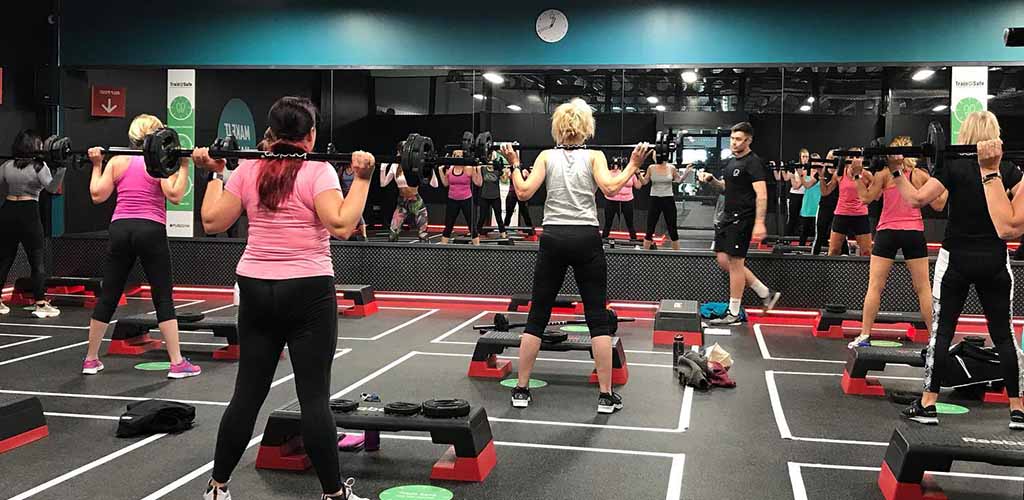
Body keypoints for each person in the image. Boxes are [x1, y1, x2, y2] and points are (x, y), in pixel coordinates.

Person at [193, 96, 373, 500]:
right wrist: (361, 178)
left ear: (269, 135)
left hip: (254, 288)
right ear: (310, 136)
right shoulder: (317, 170)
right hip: (307, 291)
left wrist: (215, 174)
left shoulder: (248, 169)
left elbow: (211, 221)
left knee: (247, 394)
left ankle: (217, 487)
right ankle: (333, 495)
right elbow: (342, 225)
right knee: (313, 398)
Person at [501, 98, 645, 414]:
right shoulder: (595, 156)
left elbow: (523, 192)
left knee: (537, 316)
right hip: (585, 238)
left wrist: (513, 163)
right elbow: (610, 189)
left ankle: (521, 390)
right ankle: (606, 397)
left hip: (553, 237)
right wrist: (633, 164)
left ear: (558, 128)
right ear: (586, 129)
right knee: (597, 319)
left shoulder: (545, 156)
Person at [888, 111, 1023, 428]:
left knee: (942, 332)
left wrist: (896, 173)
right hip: (994, 259)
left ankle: (928, 403)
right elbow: (1015, 222)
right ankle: (1017, 409)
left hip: (956, 260)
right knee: (1004, 336)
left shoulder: (954, 167)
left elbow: (917, 200)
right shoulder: (1010, 170)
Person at [83, 114, 200, 379]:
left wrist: (97, 164)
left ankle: (90, 359)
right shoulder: (158, 162)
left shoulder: (117, 161)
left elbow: (97, 195)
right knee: (162, 296)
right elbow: (176, 196)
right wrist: (183, 166)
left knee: (109, 294)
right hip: (150, 229)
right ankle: (177, 363)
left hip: (120, 229)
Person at [847, 137, 947, 348]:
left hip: (888, 232)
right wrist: (949, 182)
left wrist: (856, 176)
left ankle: (865, 336)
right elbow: (939, 204)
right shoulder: (920, 176)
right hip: (913, 233)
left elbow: (865, 198)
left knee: (875, 286)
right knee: (923, 288)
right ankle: (935, 339)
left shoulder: (885, 175)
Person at [698, 122, 780, 325]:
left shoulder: (753, 163)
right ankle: (765, 292)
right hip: (727, 217)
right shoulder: (732, 162)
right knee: (723, 260)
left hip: (743, 218)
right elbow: (727, 188)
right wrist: (711, 180)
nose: (734, 143)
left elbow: (761, 194)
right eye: (732, 139)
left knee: (735, 264)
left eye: (739, 139)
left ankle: (733, 313)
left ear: (749, 140)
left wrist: (759, 223)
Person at [0, 130, 65, 318]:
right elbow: (52, 188)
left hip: (8, 210)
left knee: (4, 259)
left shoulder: (6, 165)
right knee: (36, 260)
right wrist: (61, 168)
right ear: (33, 147)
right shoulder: (39, 166)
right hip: (29, 212)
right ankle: (41, 304)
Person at [380, 146, 435, 242]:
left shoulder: (415, 165)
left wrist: (431, 169)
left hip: (416, 202)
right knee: (392, 235)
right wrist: (382, 169)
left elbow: (435, 185)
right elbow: (383, 183)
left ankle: (426, 255)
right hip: (402, 203)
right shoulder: (394, 166)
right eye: (399, 152)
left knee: (423, 235)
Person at [828, 151, 873, 256]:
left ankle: (867, 272)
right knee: (834, 250)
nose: (854, 159)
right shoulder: (840, 173)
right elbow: (825, 192)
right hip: (842, 214)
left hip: (860, 215)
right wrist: (821, 176)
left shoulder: (866, 174)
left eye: (857, 156)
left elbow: (876, 192)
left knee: (866, 252)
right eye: (851, 156)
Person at [639, 156, 684, 250]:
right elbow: (644, 182)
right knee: (650, 228)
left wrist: (687, 172)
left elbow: (678, 180)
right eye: (655, 154)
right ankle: (644, 256)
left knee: (672, 229)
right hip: (655, 199)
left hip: (668, 199)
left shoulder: (671, 168)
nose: (655, 156)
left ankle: (677, 257)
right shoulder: (651, 167)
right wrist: (638, 174)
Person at [440, 151, 481, 244]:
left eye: (460, 156)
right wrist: (439, 171)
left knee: (472, 226)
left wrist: (477, 170)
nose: (457, 157)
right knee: (448, 225)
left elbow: (478, 183)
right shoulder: (450, 169)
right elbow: (445, 183)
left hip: (466, 200)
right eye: (455, 156)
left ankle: (478, 249)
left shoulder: (468, 169)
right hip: (452, 200)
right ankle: (441, 250)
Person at [601, 157, 640, 241]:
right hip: (611, 200)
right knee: (608, 222)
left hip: (627, 201)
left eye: (617, 165)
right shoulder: (608, 173)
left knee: (630, 223)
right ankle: (603, 241)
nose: (615, 167)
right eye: (613, 165)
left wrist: (639, 175)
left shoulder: (630, 173)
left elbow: (638, 186)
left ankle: (634, 242)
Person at [476, 155, 507, 239]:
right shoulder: (483, 169)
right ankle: (476, 233)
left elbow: (504, 181)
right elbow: (478, 180)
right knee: (482, 217)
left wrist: (504, 172)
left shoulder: (497, 171)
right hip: (484, 197)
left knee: (498, 217)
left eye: (491, 162)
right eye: (488, 162)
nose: (490, 164)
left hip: (495, 197)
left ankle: (503, 233)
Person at [502, 163, 537, 237]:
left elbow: (530, 181)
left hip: (521, 194)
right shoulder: (511, 171)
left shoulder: (524, 171)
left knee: (525, 213)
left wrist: (530, 174)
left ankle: (530, 231)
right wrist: (505, 173)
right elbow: (505, 179)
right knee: (509, 213)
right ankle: (504, 230)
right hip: (512, 193)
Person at [797, 154, 822, 246]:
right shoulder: (805, 171)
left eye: (817, 160)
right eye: (813, 161)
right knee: (804, 231)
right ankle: (800, 251)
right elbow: (800, 185)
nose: (815, 163)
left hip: (818, 204)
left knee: (818, 231)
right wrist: (800, 175)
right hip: (808, 204)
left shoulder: (822, 173)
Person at [783, 149, 809, 236]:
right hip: (794, 195)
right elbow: (786, 178)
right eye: (803, 156)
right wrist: (783, 168)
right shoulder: (796, 167)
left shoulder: (807, 169)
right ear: (800, 157)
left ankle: (801, 237)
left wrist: (793, 177)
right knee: (792, 217)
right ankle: (787, 238)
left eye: (807, 157)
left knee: (803, 218)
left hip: (804, 195)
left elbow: (797, 185)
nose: (805, 159)